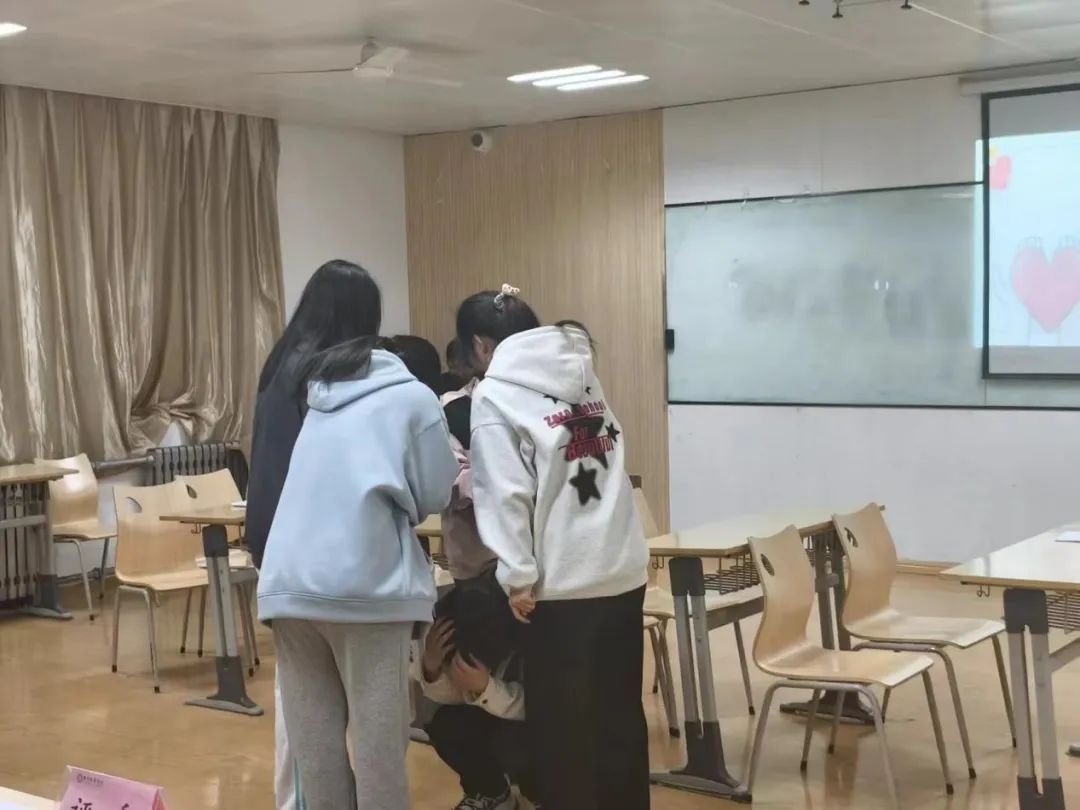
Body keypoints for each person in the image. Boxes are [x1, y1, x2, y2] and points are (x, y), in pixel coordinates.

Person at [257, 271, 458, 810]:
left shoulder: (318, 393)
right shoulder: (413, 398)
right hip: (366, 590)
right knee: (378, 756)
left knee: (315, 755)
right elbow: (436, 491)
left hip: (288, 587)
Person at [457, 285, 651, 810]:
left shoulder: (495, 394)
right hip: (622, 570)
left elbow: (504, 494)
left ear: (481, 345)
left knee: (564, 733)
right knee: (619, 720)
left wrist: (517, 576)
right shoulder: (581, 372)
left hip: (563, 584)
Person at [246, 258, 384, 810]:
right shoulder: (316, 378)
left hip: (280, 548)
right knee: (310, 712)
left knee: (303, 704)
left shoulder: (283, 364)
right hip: (310, 553)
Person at [414, 592, 537, 810]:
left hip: (540, 729)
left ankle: (539, 796)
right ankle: (492, 793)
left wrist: (485, 688)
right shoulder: (471, 632)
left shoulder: (527, 637)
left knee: (513, 742)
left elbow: (539, 708)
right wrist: (432, 668)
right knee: (446, 723)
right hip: (497, 713)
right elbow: (454, 696)